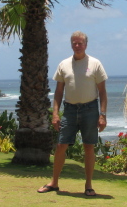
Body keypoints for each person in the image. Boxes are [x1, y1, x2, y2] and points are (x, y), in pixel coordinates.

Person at [37, 31, 108, 196]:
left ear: (86, 45)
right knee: (61, 145)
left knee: (88, 146)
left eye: (80, 43)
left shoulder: (95, 64)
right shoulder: (64, 64)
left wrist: (102, 115)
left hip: (90, 109)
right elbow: (58, 92)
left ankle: (88, 185)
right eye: (74, 43)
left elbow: (103, 92)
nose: (77, 46)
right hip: (69, 110)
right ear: (71, 44)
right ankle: (54, 183)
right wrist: (55, 114)